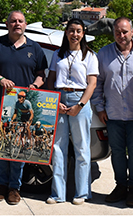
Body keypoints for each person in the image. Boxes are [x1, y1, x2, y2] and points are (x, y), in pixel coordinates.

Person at [0, 10, 47, 206]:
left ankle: (14, 187)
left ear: (25, 25)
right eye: (13, 21)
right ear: (7, 24)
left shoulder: (35, 48)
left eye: (20, 21)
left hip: (23, 104)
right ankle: (1, 185)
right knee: (1, 143)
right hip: (0, 100)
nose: (17, 24)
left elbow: (41, 74)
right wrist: (0, 79)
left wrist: (35, 85)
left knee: (19, 144)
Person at [91, 16, 133, 207]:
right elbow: (97, 83)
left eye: (125, 32)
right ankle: (120, 186)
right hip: (113, 114)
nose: (121, 35)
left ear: (132, 32)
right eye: (117, 32)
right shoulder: (104, 54)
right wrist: (100, 108)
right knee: (117, 152)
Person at [43, 18, 99, 205]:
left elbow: (92, 84)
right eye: (71, 30)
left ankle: (82, 193)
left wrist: (80, 105)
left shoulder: (89, 55)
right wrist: (54, 100)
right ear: (66, 32)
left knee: (81, 148)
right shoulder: (58, 54)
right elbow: (51, 79)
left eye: (78, 31)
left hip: (79, 98)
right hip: (59, 99)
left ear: (83, 34)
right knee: (58, 148)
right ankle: (57, 194)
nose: (75, 34)